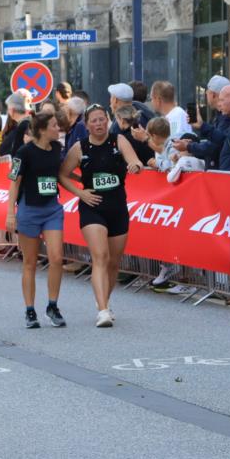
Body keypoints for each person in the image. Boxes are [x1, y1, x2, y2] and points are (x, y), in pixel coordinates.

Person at [58, 104, 143, 327]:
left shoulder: (118, 141)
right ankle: (103, 310)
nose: (98, 124)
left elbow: (134, 160)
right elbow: (63, 175)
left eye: (101, 119)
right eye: (93, 121)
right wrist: (80, 192)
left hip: (117, 206)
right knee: (100, 257)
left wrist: (134, 165)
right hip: (91, 206)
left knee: (114, 263)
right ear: (86, 125)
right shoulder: (79, 147)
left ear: (107, 120)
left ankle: (104, 300)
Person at [5, 111, 67, 329]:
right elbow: (13, 182)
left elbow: (60, 174)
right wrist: (10, 213)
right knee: (30, 262)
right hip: (29, 210)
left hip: (52, 209)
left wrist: (80, 186)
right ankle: (30, 310)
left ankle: (52, 305)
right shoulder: (24, 152)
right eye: (53, 125)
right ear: (42, 129)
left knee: (57, 257)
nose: (57, 128)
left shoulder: (57, 148)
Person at [175, 75, 230, 168]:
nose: (206, 95)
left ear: (213, 94)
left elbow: (214, 146)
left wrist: (189, 146)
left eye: (207, 92)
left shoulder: (227, 118)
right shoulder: (218, 116)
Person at [1, 93, 31, 158]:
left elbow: (17, 154)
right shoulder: (31, 122)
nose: (8, 112)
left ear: (12, 110)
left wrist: (15, 168)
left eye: (8, 109)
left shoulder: (22, 127)